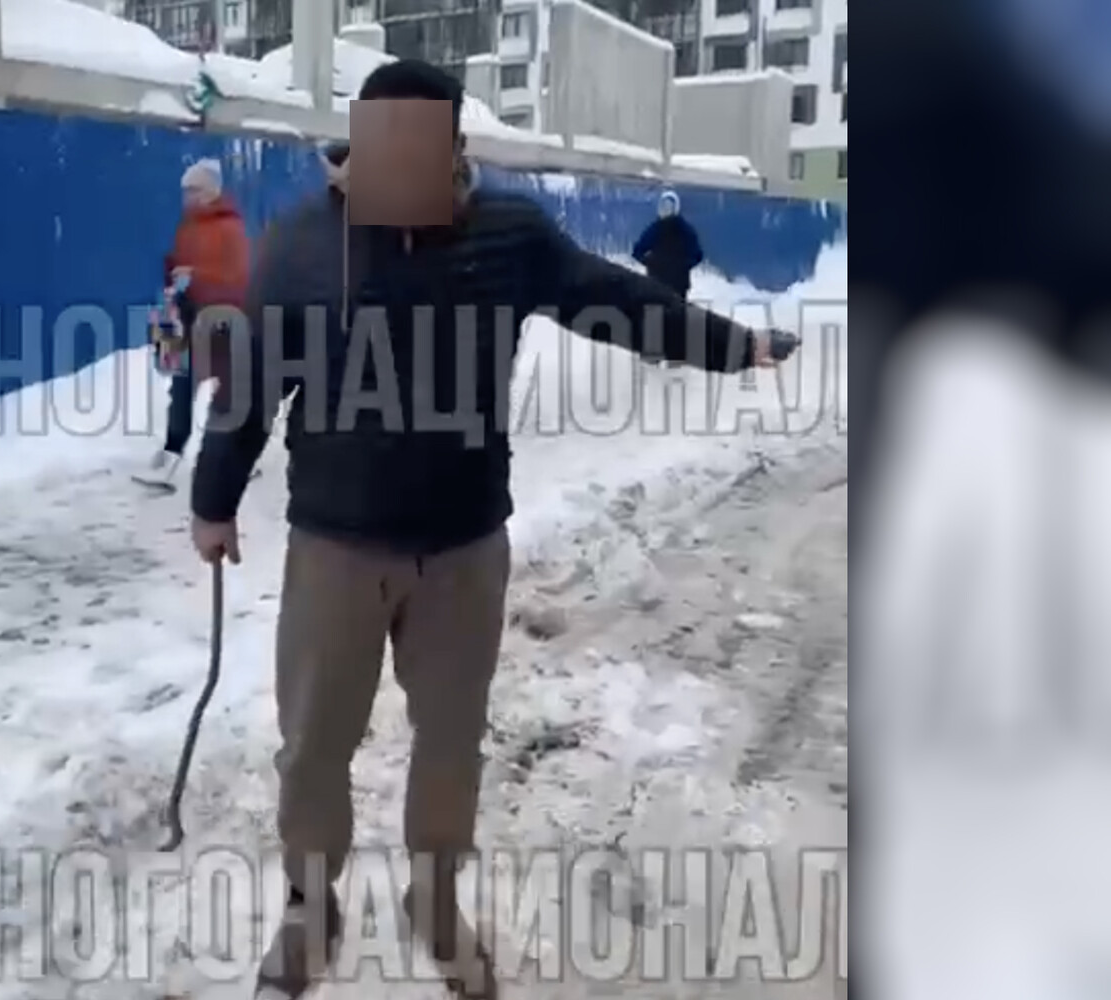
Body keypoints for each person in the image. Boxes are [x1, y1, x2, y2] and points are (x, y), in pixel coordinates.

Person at [190, 60, 790, 999]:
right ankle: (310, 906)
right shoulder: (304, 244)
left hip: (464, 552)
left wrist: (733, 346)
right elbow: (251, 386)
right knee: (312, 746)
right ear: (357, 145)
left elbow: (616, 302)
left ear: (455, 146)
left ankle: (435, 901)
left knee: (450, 744)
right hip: (335, 549)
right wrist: (213, 501)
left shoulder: (508, 235)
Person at [142, 157, 250, 489]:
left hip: (222, 320)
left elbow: (238, 278)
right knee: (182, 384)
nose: (187, 197)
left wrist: (196, 275)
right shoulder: (188, 226)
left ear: (211, 191)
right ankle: (173, 449)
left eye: (193, 190)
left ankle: (234, 456)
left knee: (227, 392)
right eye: (185, 190)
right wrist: (172, 271)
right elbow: (181, 264)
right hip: (188, 317)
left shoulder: (230, 228)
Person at [633, 189, 705, 368]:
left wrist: (683, 265)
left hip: (675, 283)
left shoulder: (684, 230)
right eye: (663, 205)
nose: (666, 209)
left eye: (669, 206)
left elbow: (697, 254)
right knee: (656, 317)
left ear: (676, 207)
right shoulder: (655, 229)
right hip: (658, 282)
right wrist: (650, 262)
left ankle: (675, 355)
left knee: (674, 318)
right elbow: (637, 251)